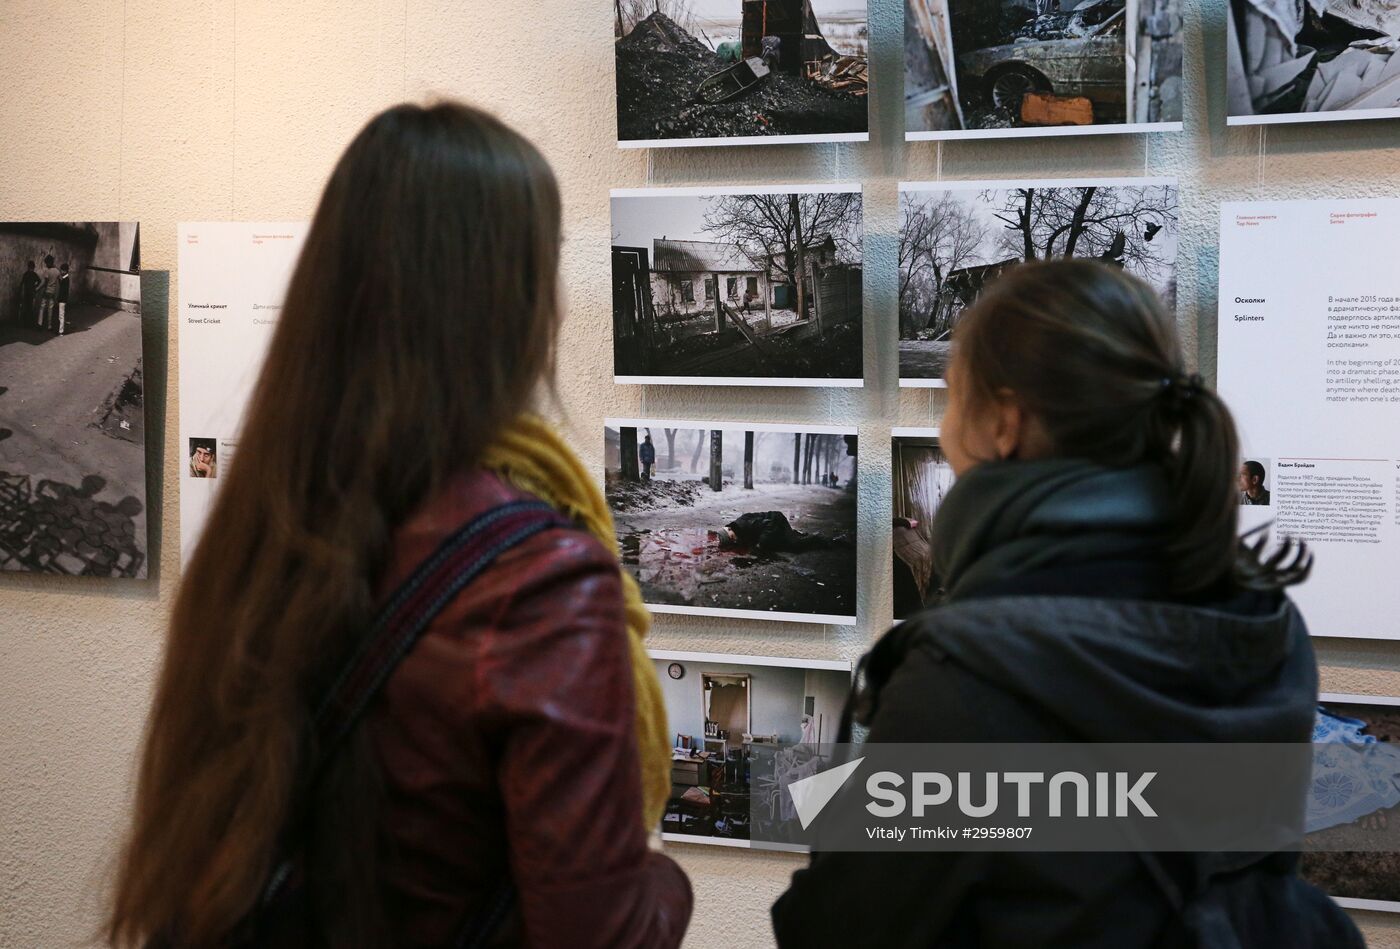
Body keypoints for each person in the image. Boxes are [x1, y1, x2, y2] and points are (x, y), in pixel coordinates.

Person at [106, 101, 691, 949]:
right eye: (545, 267)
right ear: (508, 303)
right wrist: (658, 871)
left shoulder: (266, 523)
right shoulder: (541, 578)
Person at [772, 260, 1362, 948]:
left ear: (1006, 422)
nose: (943, 428)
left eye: (950, 398)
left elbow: (840, 926)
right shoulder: (1261, 621)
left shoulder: (966, 676)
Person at [37, 254, 59, 332]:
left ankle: (40, 323)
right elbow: (59, 280)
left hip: (46, 292)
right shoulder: (57, 271)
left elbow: (44, 283)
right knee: (50, 309)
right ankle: (49, 326)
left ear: (49, 262)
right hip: (52, 292)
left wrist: (37, 289)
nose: (46, 265)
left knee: (42, 308)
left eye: (46, 263)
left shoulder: (47, 271)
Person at [19, 260, 40, 326]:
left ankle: (25, 323)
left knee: (26, 307)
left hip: (26, 292)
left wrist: (21, 292)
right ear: (33, 267)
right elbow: (39, 281)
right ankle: (30, 323)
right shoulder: (34, 274)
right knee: (30, 308)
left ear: (28, 267)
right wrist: (35, 286)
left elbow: (22, 283)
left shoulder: (26, 274)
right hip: (31, 293)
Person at [55, 262, 70, 335]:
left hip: (62, 300)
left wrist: (58, 299)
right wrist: (59, 280)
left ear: (65, 271)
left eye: (62, 270)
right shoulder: (65, 279)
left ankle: (61, 331)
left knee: (61, 315)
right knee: (61, 315)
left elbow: (62, 291)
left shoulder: (66, 279)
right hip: (63, 299)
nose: (61, 272)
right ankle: (61, 330)